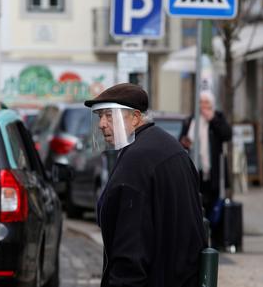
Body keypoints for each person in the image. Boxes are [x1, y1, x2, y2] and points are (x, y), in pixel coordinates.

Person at [84, 83, 207, 287]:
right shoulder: (165, 145)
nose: (102, 124)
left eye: (109, 115)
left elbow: (131, 248)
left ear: (135, 117)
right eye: (99, 117)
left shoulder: (137, 160)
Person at [179, 91, 232, 225]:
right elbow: (181, 139)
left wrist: (212, 119)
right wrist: (184, 142)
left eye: (206, 103)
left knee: (212, 201)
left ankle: (212, 231)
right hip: (195, 167)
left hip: (212, 170)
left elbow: (227, 134)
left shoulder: (217, 117)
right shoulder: (191, 120)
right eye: (200, 103)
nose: (203, 106)